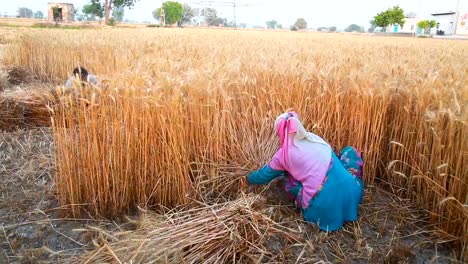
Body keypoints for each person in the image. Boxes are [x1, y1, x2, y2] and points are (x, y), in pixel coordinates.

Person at [247, 111, 364, 231]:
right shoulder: (315, 139)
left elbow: (264, 175)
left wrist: (248, 178)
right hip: (352, 194)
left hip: (321, 209)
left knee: (288, 175)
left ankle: (313, 207)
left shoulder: (284, 156)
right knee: (349, 151)